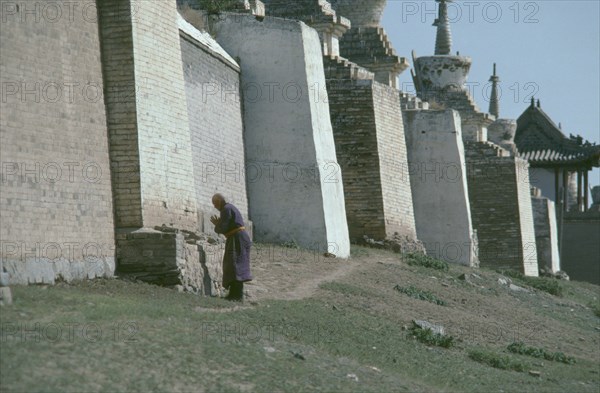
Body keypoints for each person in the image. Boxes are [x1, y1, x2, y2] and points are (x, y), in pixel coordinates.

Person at [210, 193, 252, 301]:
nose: (214, 206)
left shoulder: (226, 209)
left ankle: (236, 296)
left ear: (219, 201)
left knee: (234, 265)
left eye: (215, 203)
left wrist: (217, 225)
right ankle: (235, 294)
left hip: (237, 239)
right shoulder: (229, 208)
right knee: (235, 265)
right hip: (238, 238)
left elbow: (224, 228)